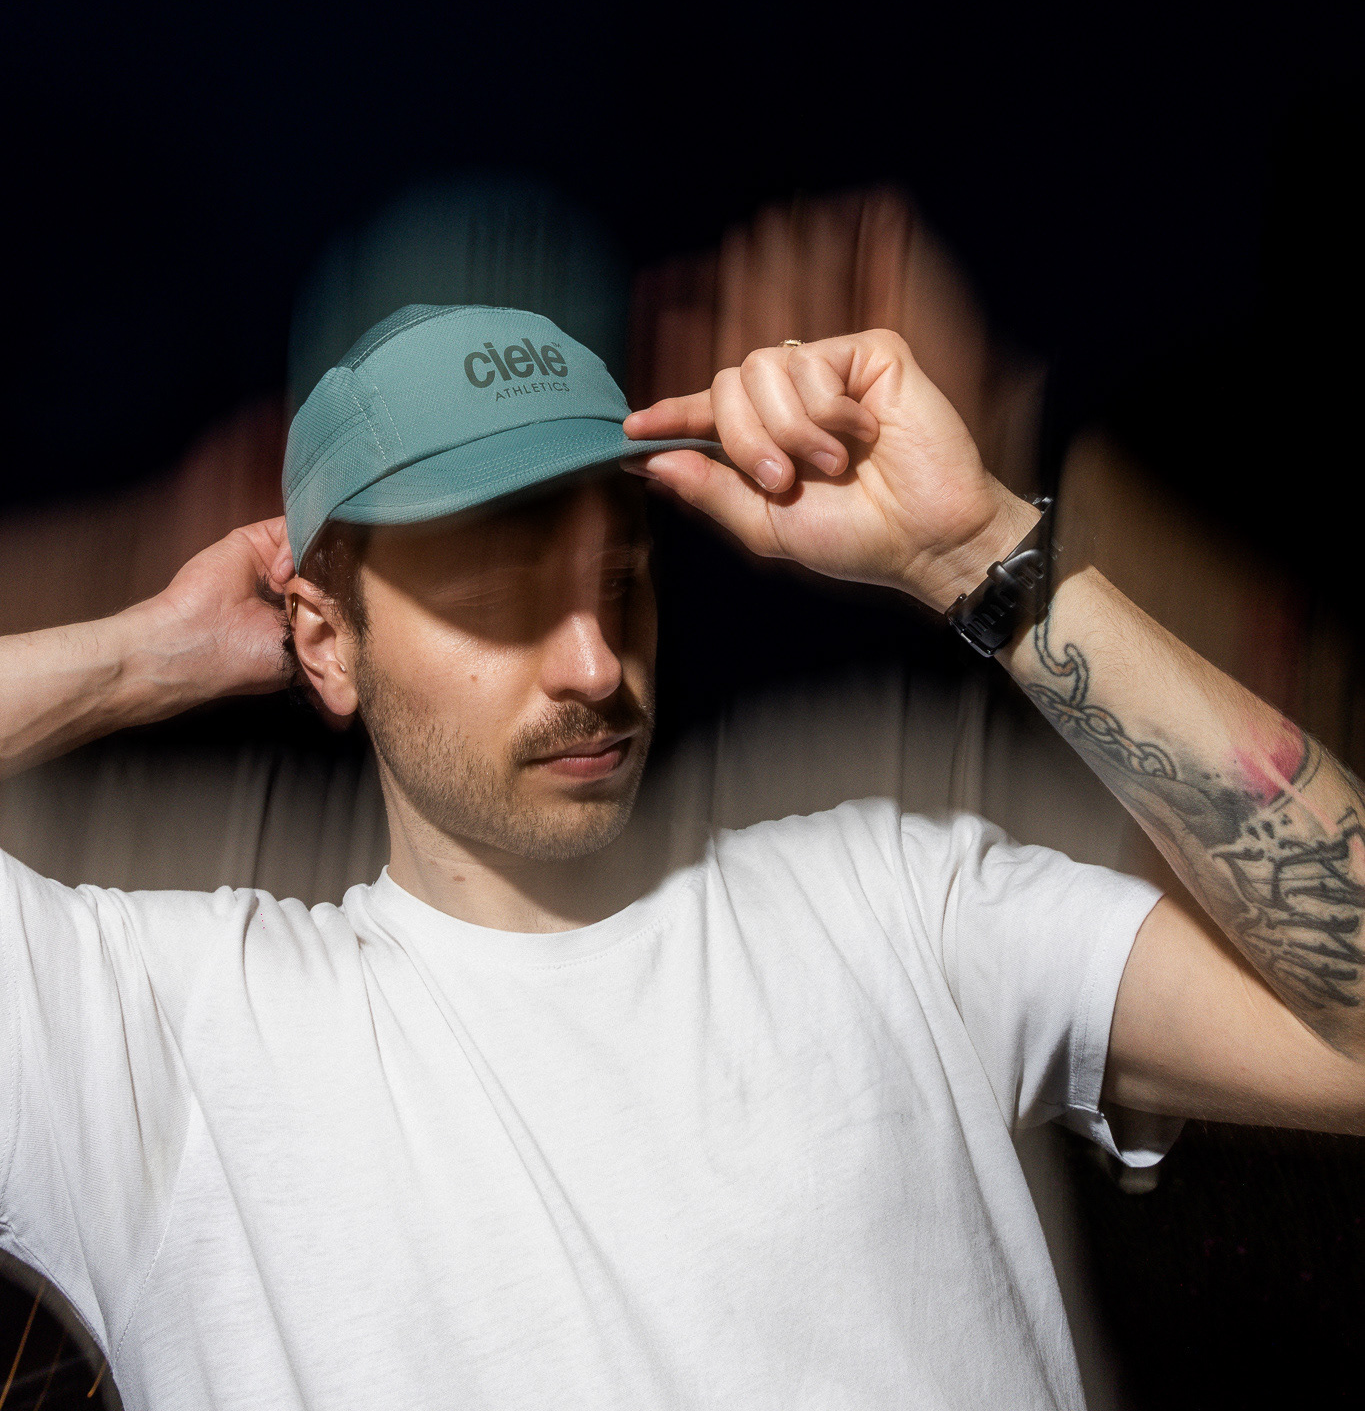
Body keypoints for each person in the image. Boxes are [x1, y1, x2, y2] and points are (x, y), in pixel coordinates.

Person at [1, 305, 1362, 1411]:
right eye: (502, 602)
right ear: (323, 640)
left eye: (620, 584)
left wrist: (978, 551)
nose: (596, 665)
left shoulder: (895, 901)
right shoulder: (149, 1030)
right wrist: (143, 656)